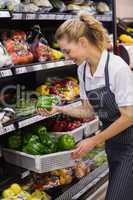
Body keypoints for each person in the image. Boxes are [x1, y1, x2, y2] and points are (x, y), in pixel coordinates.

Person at [37, 13, 133, 200]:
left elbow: (129, 116)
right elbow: (87, 110)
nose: (66, 56)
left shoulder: (116, 68)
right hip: (113, 144)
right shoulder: (83, 69)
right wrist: (58, 109)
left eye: (67, 51)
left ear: (82, 42)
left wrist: (93, 140)